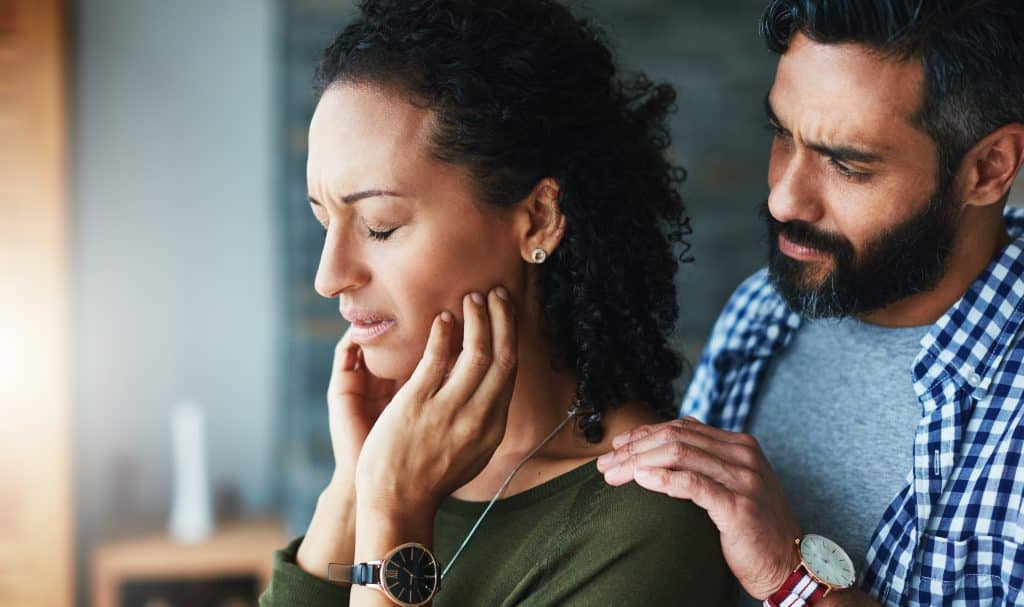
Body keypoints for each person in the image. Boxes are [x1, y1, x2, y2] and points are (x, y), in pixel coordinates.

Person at [259, 1, 734, 605]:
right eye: (324, 219)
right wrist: (352, 490)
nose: (329, 277)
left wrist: (395, 512)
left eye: (379, 226)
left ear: (537, 220)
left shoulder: (642, 526)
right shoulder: (397, 467)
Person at [598, 1, 1024, 606]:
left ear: (987, 168)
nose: (783, 200)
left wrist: (792, 583)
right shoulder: (762, 311)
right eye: (781, 134)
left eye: (847, 165)